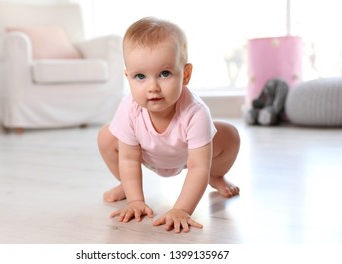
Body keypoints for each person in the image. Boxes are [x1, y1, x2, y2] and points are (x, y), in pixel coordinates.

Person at [98, 17, 240, 233]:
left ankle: (217, 176)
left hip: (189, 157)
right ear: (128, 77)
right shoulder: (129, 109)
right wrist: (136, 201)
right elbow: (128, 158)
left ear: (185, 74)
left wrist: (182, 209)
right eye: (140, 76)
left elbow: (197, 166)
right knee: (106, 136)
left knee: (230, 135)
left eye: (164, 74)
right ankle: (128, 187)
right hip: (146, 156)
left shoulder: (195, 112)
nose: (152, 87)